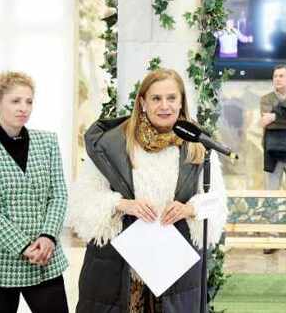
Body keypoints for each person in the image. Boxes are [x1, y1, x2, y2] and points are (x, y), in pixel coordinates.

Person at [68, 68, 227, 312]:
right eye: (156, 98)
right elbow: (84, 197)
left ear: (181, 102)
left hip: (174, 267)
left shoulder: (197, 144)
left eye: (171, 98)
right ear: (143, 103)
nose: (164, 106)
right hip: (118, 267)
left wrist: (189, 209)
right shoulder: (112, 143)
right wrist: (122, 204)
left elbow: (216, 200)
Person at [0, 71, 69, 313]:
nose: (24, 108)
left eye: (29, 101)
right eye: (15, 101)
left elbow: (58, 196)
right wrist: (23, 246)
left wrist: (48, 237)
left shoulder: (48, 142)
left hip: (45, 257)